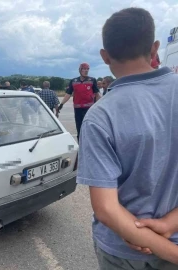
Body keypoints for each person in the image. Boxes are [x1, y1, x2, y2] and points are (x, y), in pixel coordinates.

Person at [76, 7, 178, 269]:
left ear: (105, 56)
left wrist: (165, 249)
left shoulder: (100, 115)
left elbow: (107, 210)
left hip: (124, 253)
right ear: (155, 49)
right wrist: (169, 224)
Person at [57, 62, 100, 142]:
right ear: (80, 70)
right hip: (78, 109)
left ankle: (90, 145)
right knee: (79, 129)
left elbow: (97, 94)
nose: (86, 71)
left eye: (87, 69)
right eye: (84, 69)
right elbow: (68, 94)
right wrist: (61, 104)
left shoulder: (92, 80)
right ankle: (81, 146)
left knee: (89, 128)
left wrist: (100, 105)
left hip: (89, 109)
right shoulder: (74, 81)